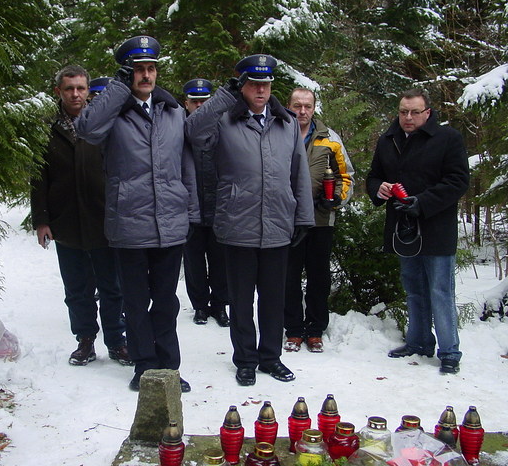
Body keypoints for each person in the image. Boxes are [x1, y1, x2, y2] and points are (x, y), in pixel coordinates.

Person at [75, 36, 199, 392]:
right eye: (138, 69)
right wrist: (117, 88)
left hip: (169, 223)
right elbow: (86, 128)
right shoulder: (113, 112)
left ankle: (169, 367)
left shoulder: (173, 111)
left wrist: (189, 211)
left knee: (166, 301)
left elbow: (185, 165)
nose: (146, 75)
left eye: (150, 68)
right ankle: (144, 366)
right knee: (135, 300)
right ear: (128, 74)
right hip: (129, 223)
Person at [185, 54, 315, 386]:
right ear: (242, 86)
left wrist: (303, 217)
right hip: (237, 223)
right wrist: (222, 98)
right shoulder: (224, 120)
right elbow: (193, 132)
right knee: (241, 300)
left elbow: (298, 171)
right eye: (254, 84)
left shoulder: (286, 123)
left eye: (266, 84)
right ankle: (245, 359)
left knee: (273, 298)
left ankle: (270, 357)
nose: (260, 90)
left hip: (277, 223)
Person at [30, 65, 132, 368]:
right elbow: (38, 177)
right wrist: (42, 220)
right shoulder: (46, 129)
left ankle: (117, 341)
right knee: (77, 289)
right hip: (67, 221)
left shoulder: (105, 123)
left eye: (81, 88)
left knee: (113, 287)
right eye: (69, 88)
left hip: (104, 219)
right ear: (58, 91)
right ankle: (85, 340)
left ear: (88, 91)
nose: (76, 94)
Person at [366, 88, 469, 374]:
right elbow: (373, 177)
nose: (408, 117)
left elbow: (458, 181)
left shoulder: (448, 138)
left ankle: (449, 352)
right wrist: (379, 188)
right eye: (403, 112)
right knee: (413, 289)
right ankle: (419, 342)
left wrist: (422, 203)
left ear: (428, 113)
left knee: (440, 291)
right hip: (403, 228)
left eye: (414, 112)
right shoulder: (388, 140)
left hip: (436, 226)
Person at [283, 88, 354, 353]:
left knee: (318, 277)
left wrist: (336, 199)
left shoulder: (330, 139)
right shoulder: (278, 133)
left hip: (320, 219)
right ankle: (292, 329)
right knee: (288, 277)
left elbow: (346, 176)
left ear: (314, 108)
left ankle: (315, 330)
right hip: (286, 220)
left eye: (308, 106)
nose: (302, 111)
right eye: (297, 105)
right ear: (289, 106)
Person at [182, 78, 230, 327]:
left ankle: (220, 305)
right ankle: (200, 306)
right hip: (190, 209)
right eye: (195, 102)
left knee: (221, 262)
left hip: (220, 208)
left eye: (204, 101)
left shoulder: (223, 128)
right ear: (186, 103)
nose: (200, 106)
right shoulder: (180, 130)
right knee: (194, 263)